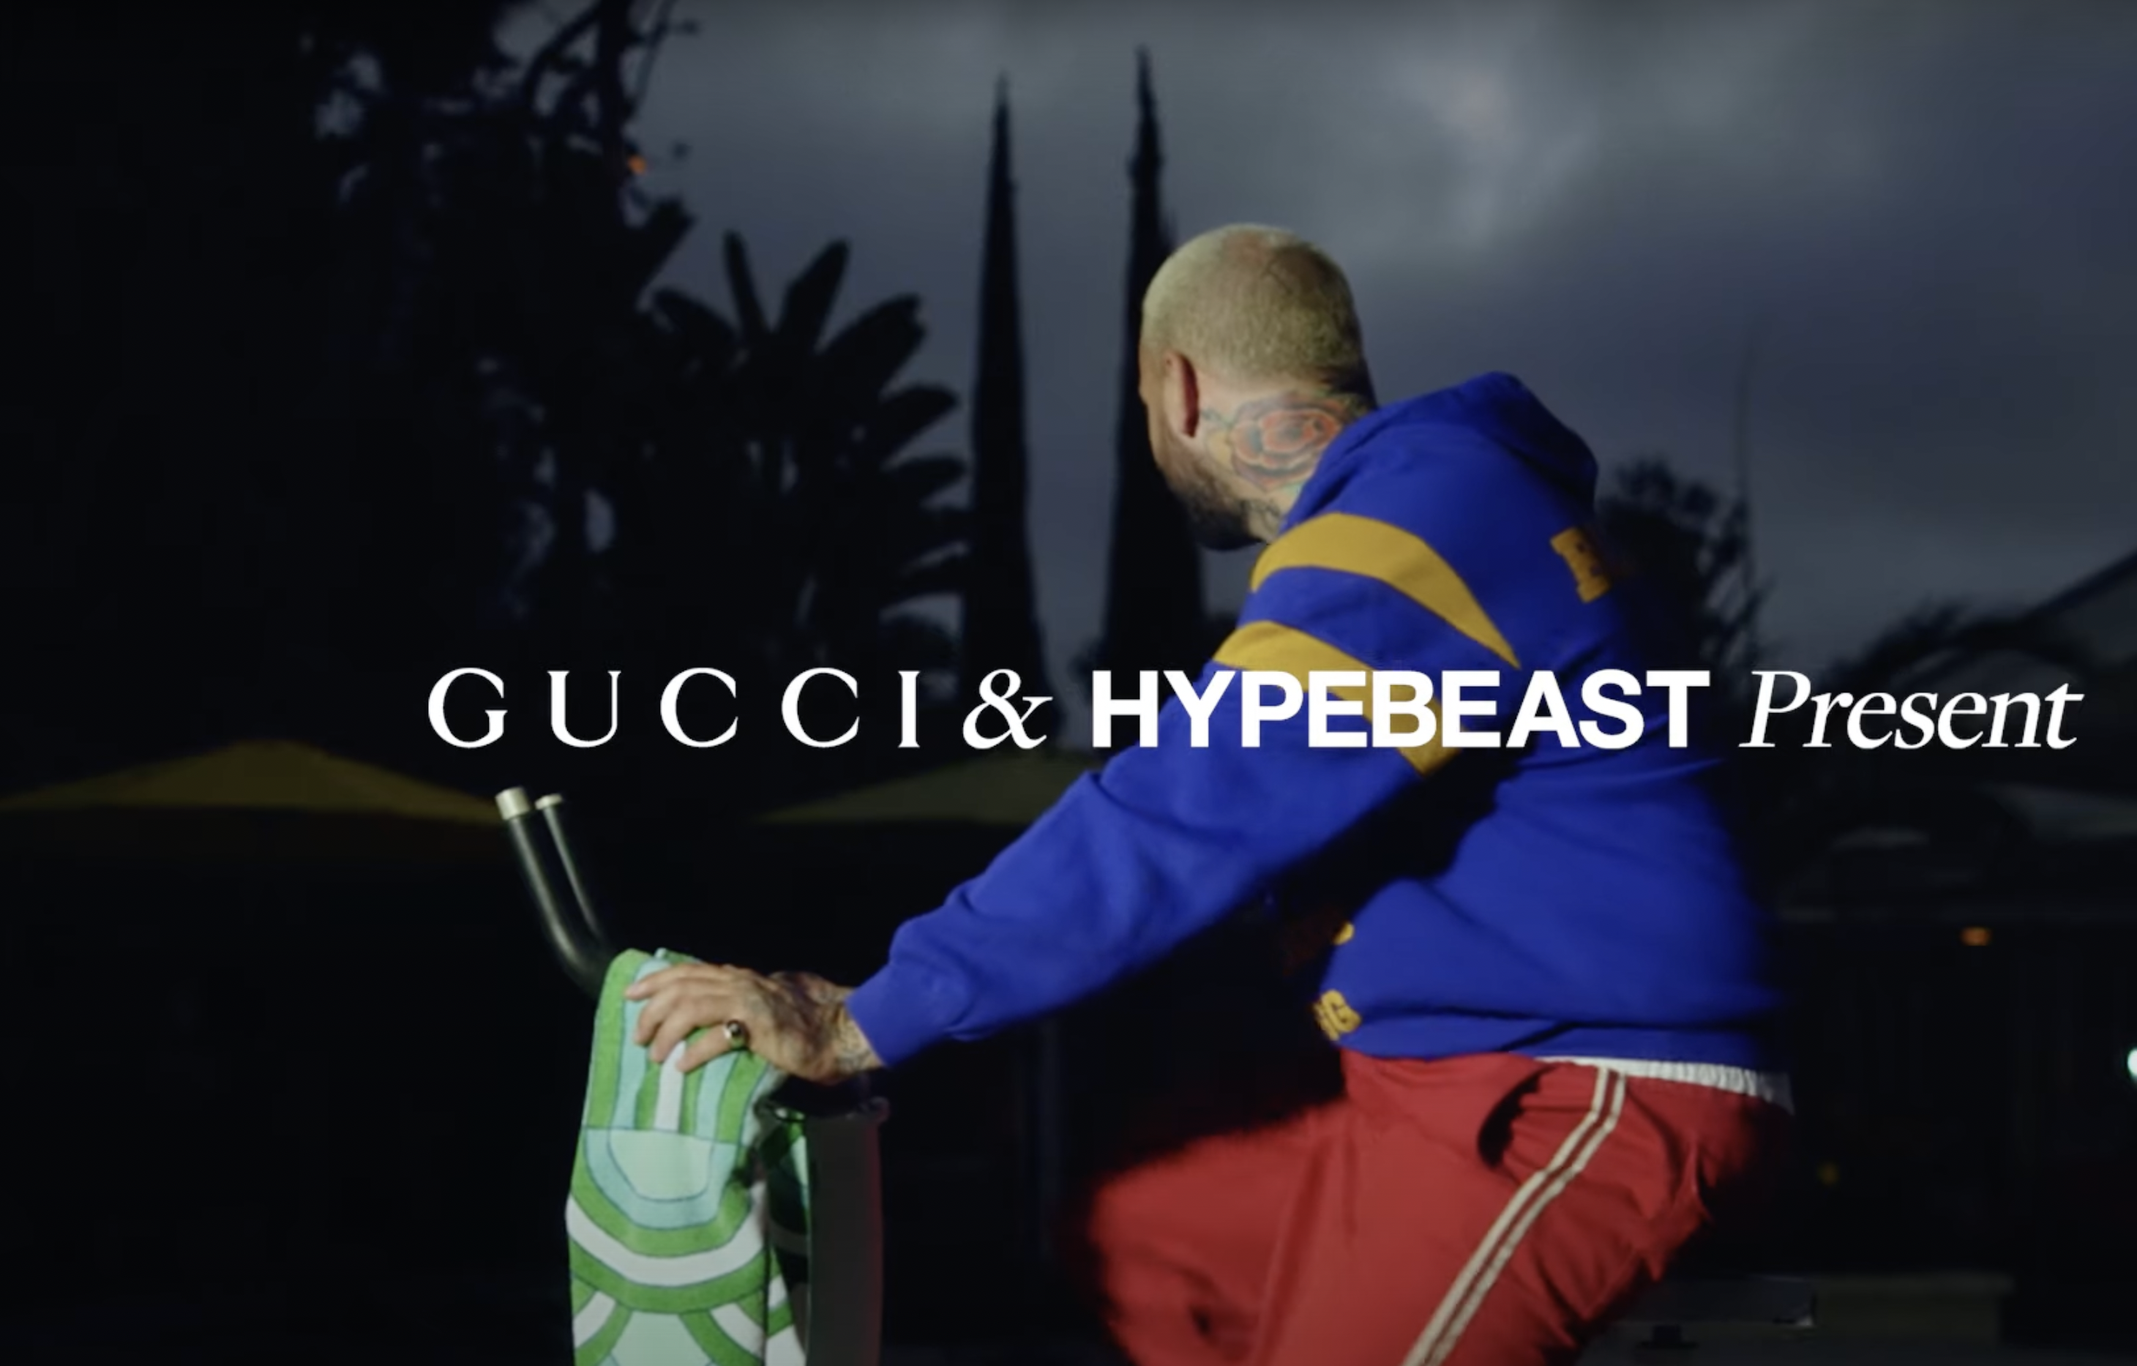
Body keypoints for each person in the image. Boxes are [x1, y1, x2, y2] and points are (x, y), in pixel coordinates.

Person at [629, 224, 1793, 1365]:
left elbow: (1190, 803)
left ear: (1176, 388)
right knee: (1152, 1242)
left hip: (1585, 1086)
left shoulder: (1421, 518)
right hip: (1437, 1078)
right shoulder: (1419, 515)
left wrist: (863, 1019)